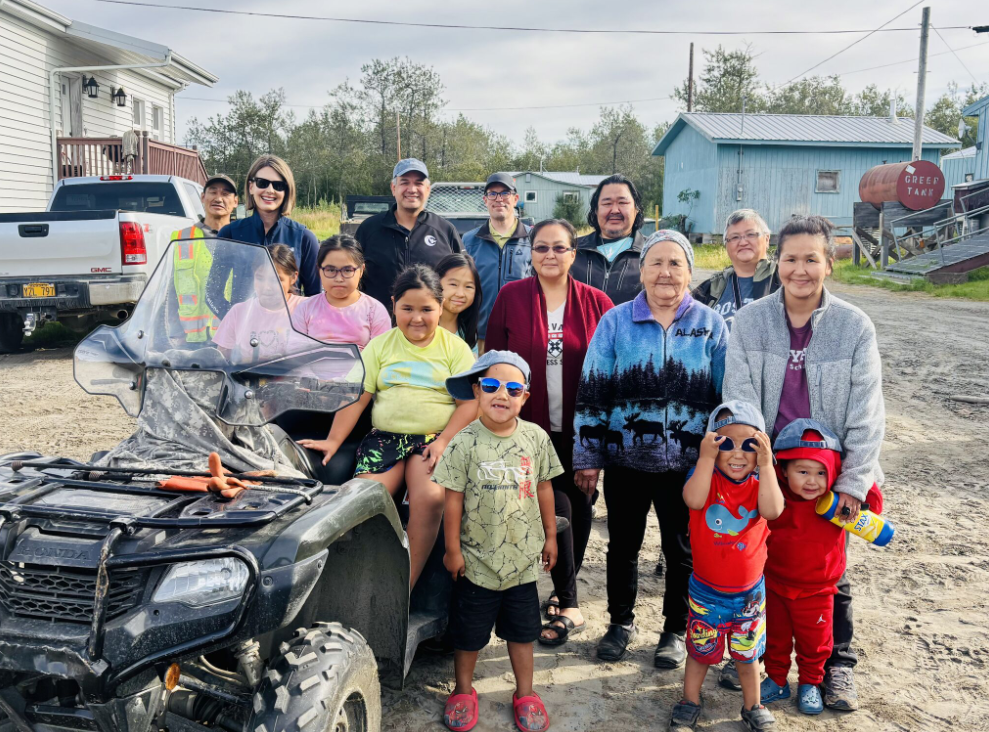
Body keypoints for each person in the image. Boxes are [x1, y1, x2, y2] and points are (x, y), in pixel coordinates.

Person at [724, 214, 886, 711]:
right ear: (777, 262)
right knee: (762, 566)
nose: (800, 269)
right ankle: (758, 659)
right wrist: (753, 470)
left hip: (826, 478)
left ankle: (837, 666)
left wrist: (853, 482)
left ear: (829, 264)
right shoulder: (751, 321)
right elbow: (739, 398)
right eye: (790, 259)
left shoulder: (854, 326)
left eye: (811, 259)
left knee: (828, 572)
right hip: (769, 472)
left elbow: (867, 412)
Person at [573, 230, 728, 667]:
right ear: (640, 271)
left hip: (690, 466)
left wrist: (723, 456)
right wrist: (588, 457)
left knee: (682, 550)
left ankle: (675, 629)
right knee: (623, 546)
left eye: (675, 263)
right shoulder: (616, 321)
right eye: (655, 262)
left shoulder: (711, 324)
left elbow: (727, 396)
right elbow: (593, 389)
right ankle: (620, 623)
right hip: (626, 460)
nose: (665, 272)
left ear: (690, 272)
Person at [299, 265, 476, 588]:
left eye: (426, 309)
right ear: (393, 305)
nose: (417, 318)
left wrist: (444, 441)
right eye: (407, 308)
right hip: (385, 439)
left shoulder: (455, 349)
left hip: (434, 440)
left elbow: (469, 404)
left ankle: (403, 588)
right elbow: (358, 398)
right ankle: (359, 583)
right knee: (361, 499)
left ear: (441, 306)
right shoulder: (380, 346)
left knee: (430, 497)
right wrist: (333, 440)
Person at [484, 219, 613, 646]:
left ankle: (563, 591)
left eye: (559, 247)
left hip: (579, 429)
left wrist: (595, 442)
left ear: (574, 254)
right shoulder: (511, 297)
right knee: (553, 507)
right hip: (529, 428)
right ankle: (568, 599)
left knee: (580, 502)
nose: (550, 255)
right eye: (541, 247)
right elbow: (494, 361)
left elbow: (609, 373)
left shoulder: (596, 303)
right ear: (531, 253)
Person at [436, 350, 560, 732]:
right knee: (468, 636)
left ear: (525, 396)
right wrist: (452, 550)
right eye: (491, 385)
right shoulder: (463, 442)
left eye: (513, 388)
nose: (501, 394)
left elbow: (544, 488)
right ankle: (463, 690)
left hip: (521, 564)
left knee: (523, 634)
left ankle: (526, 693)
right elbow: (452, 499)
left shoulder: (536, 438)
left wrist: (550, 537)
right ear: (477, 391)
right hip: (476, 563)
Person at [670, 401, 783, 732]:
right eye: (725, 443)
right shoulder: (704, 478)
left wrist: (767, 464)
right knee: (700, 651)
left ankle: (753, 706)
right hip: (707, 592)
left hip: (749, 596)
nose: (737, 454)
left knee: (747, 656)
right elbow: (693, 500)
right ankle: (690, 700)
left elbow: (773, 510)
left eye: (749, 445)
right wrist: (705, 458)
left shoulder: (760, 485)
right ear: (711, 445)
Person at [760, 419, 884, 717]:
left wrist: (854, 486)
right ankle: (776, 679)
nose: (812, 481)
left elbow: (874, 505)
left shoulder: (836, 505)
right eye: (802, 472)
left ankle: (810, 683)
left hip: (818, 590)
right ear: (783, 470)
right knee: (774, 638)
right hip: (774, 584)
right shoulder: (774, 497)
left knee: (815, 644)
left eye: (821, 472)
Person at [208, 154, 320, 319]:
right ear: (251, 187)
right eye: (262, 183)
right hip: (245, 331)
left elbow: (315, 298)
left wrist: (298, 324)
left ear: (287, 191)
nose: (270, 190)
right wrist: (235, 321)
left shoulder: (304, 238)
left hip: (288, 331)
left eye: (278, 185)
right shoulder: (230, 234)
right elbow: (212, 293)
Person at [355, 158, 463, 312]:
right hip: (378, 323)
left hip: (431, 324)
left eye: (418, 183)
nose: (412, 189)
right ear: (393, 188)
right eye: (405, 182)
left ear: (427, 189)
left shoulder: (445, 231)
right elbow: (352, 278)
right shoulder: (369, 229)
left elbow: (461, 280)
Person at [462, 172, 532, 352]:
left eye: (505, 193)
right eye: (493, 193)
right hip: (481, 337)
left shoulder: (534, 239)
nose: (499, 199)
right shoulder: (469, 241)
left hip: (522, 335)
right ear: (485, 200)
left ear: (515, 199)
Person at [168, 174, 238, 343]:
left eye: (225, 193)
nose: (218, 199)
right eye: (213, 192)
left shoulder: (243, 239)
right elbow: (170, 290)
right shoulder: (183, 238)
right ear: (202, 197)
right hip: (190, 340)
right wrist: (175, 331)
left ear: (235, 201)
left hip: (232, 338)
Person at [291, 235, 390, 350]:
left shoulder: (374, 311)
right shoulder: (305, 309)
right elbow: (296, 352)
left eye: (347, 270)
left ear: (361, 270)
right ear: (319, 270)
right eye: (330, 270)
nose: (338, 279)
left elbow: (381, 355)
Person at [693, 209, 781, 332]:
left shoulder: (786, 279)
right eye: (734, 237)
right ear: (726, 245)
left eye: (751, 234)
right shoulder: (708, 289)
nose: (743, 242)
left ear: (767, 239)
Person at [212, 244, 303, 364]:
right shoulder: (238, 312)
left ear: (293, 277)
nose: (266, 287)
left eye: (275, 279)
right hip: (248, 376)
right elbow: (222, 359)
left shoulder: (307, 309)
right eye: (260, 278)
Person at [572, 174, 647, 305]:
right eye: (607, 203)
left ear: (636, 209)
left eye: (622, 203)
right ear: (596, 210)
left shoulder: (652, 252)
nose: (615, 210)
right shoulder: (571, 250)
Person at [435, 253, 482, 353]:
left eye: (468, 286)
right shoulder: (421, 325)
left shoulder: (468, 333)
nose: (460, 294)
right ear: (436, 283)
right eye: (453, 284)